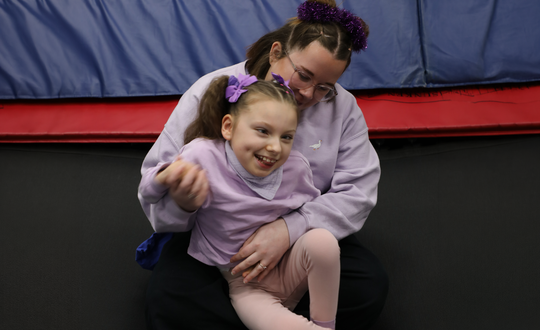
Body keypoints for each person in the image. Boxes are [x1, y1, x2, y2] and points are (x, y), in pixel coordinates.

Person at [140, 1, 388, 329]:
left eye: (324, 88)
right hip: (215, 236)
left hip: (299, 234)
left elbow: (358, 191)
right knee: (172, 302)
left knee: (367, 286)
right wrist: (183, 206)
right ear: (276, 53)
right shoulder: (213, 90)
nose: (308, 94)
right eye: (303, 75)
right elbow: (156, 179)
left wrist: (290, 228)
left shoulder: (342, 109)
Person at [139, 73, 341, 329]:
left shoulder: (296, 168)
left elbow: (311, 212)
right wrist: (165, 177)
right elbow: (147, 192)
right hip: (247, 284)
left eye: (286, 137)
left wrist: (289, 229)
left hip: (286, 264)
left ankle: (325, 323)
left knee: (323, 241)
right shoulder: (202, 156)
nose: (275, 147)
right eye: (263, 131)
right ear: (228, 127)